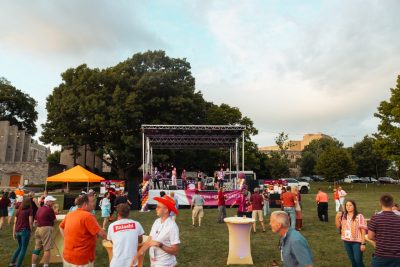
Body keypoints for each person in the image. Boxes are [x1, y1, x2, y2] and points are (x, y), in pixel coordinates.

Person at [60, 194, 107, 266]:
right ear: (85, 204)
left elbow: (61, 227)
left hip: (67, 257)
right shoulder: (88, 216)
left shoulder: (70, 214)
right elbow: (102, 234)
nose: (94, 204)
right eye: (92, 202)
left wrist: (66, 239)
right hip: (82, 260)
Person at [133, 195, 180, 267]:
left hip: (165, 263)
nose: (156, 209)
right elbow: (148, 242)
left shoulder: (172, 226)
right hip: (154, 262)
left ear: (166, 210)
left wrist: (160, 245)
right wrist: (137, 256)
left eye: (158, 207)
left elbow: (175, 251)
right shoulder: (157, 221)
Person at [368, 194, 400, 267]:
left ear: (380, 203)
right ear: (392, 204)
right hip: (397, 257)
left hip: (380, 255)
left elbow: (370, 236)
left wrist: (379, 239)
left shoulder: (375, 218)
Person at [335, 200, 367, 267]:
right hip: (346, 241)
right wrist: (337, 217)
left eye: (350, 205)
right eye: (347, 205)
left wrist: (363, 243)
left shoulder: (359, 216)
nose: (348, 207)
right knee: (352, 260)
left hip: (357, 241)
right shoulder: (343, 216)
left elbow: (363, 230)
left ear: (354, 206)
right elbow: (338, 227)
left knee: (358, 260)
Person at [31, 195, 57, 267]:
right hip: (46, 229)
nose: (53, 202)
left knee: (37, 248)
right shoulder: (49, 209)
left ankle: (33, 265)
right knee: (47, 248)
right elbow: (55, 220)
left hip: (38, 229)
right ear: (47, 202)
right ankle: (45, 265)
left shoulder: (40, 209)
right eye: (52, 201)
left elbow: (35, 221)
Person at [9, 198, 33, 267]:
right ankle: (18, 265)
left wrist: (14, 232)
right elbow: (30, 222)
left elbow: (15, 222)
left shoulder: (19, 210)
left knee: (19, 247)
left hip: (17, 231)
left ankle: (12, 263)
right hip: (24, 231)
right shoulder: (29, 210)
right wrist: (31, 231)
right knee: (23, 249)